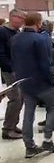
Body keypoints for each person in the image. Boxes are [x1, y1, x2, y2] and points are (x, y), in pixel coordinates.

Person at [11, 12, 54, 158]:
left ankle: (29, 146)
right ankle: (47, 140)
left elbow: (14, 60)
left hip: (25, 83)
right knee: (52, 109)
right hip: (43, 82)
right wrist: (52, 79)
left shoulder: (14, 39)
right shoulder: (39, 40)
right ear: (38, 23)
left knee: (28, 114)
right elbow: (45, 63)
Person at [0, 9, 25, 139]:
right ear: (12, 17)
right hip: (9, 70)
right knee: (15, 99)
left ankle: (13, 124)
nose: (22, 21)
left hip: (18, 69)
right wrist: (10, 68)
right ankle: (7, 129)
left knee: (21, 99)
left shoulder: (17, 32)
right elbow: (1, 54)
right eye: (20, 18)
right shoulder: (2, 32)